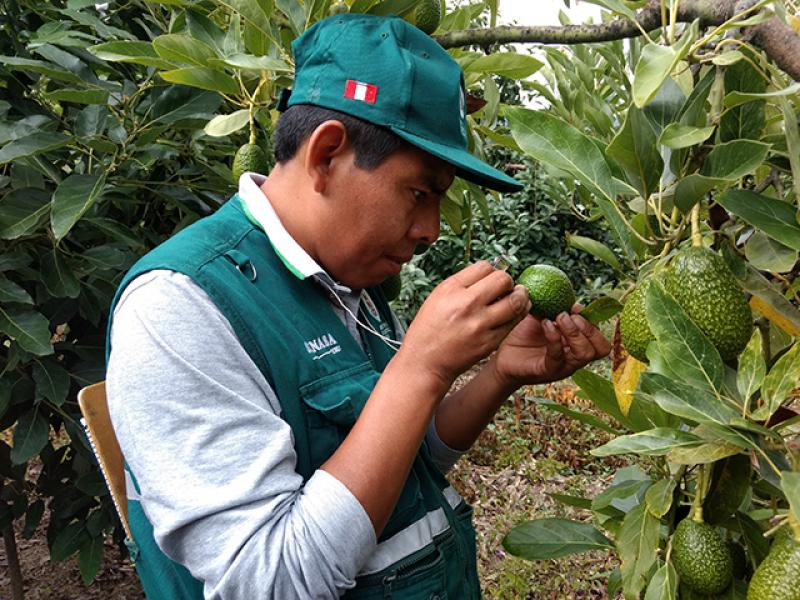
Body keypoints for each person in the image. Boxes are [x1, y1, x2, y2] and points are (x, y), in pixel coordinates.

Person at [105, 13, 611, 600]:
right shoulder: (179, 306)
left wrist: (497, 375)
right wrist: (420, 367)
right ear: (325, 156)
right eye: (420, 193)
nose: (431, 229)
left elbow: (401, 462)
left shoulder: (351, 283)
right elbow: (269, 582)